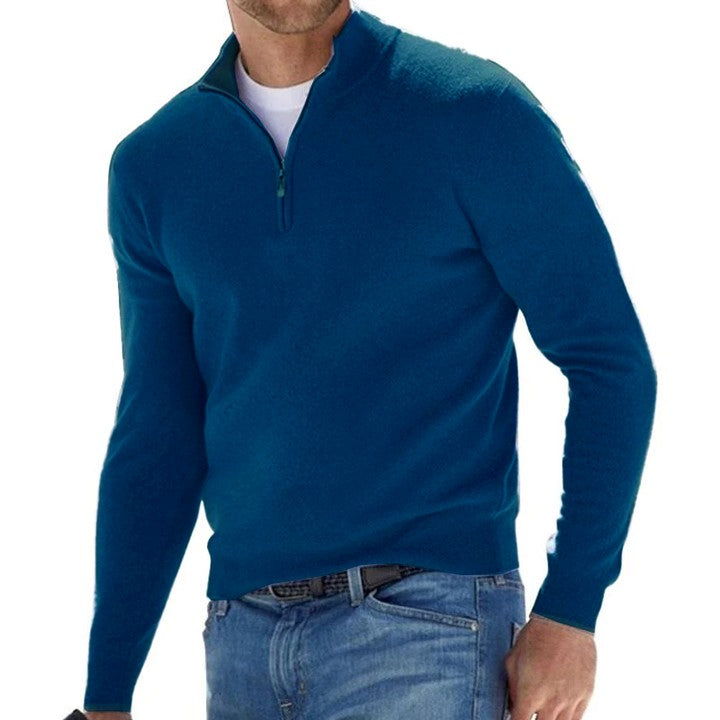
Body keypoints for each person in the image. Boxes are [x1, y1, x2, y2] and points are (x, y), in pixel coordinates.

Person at [79, 1, 657, 719]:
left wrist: (571, 608)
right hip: (241, 642)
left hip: (428, 626)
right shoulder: (155, 165)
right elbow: (157, 437)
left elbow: (608, 360)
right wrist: (107, 694)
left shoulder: (472, 113)